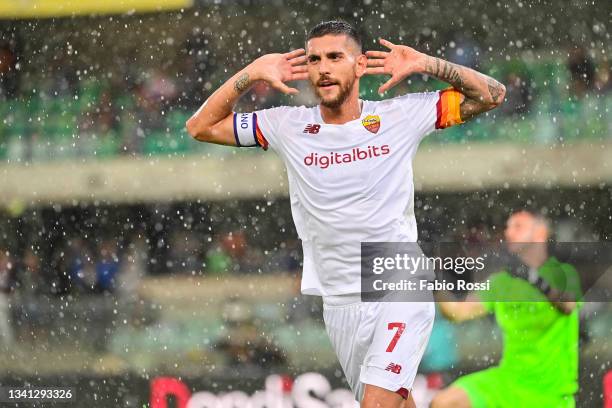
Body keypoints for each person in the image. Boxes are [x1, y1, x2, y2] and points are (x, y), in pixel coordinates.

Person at [185, 20, 505, 407]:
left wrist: (428, 64)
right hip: (339, 299)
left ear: (359, 66)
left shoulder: (399, 115)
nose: (323, 68)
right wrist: (251, 73)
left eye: (335, 57)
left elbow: (492, 94)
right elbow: (200, 126)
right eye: (315, 58)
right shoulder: (287, 125)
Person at [432, 210, 582, 408]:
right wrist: (432, 280)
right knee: (445, 403)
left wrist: (534, 280)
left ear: (541, 233)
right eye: (508, 227)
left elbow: (568, 305)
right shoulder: (501, 282)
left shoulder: (563, 273)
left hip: (550, 394)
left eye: (518, 227)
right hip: (507, 382)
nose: (509, 233)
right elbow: (457, 312)